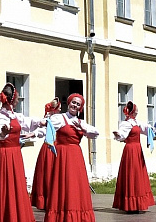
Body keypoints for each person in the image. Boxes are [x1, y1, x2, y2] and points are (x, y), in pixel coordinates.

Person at [0, 83, 44, 222]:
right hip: (6, 156)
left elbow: (26, 121)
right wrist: (4, 132)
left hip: (15, 154)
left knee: (17, 186)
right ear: (12, 99)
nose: (18, 100)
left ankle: (18, 215)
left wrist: (41, 122)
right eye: (17, 98)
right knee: (6, 187)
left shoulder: (13, 115)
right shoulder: (2, 117)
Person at [44, 93, 99, 222]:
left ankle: (77, 215)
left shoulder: (81, 122)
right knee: (62, 184)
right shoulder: (59, 118)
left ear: (80, 108)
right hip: (63, 155)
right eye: (73, 102)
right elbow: (47, 129)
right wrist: (32, 134)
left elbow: (95, 133)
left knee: (76, 185)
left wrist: (82, 128)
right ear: (68, 103)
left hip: (76, 156)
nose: (75, 105)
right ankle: (61, 215)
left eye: (78, 104)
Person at [111, 101, 155, 213]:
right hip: (130, 150)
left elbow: (146, 128)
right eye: (135, 111)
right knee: (131, 174)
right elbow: (122, 134)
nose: (136, 113)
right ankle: (130, 203)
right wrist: (118, 134)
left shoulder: (136, 122)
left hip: (137, 150)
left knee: (138, 175)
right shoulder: (126, 123)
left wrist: (154, 128)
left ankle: (138, 202)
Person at [30, 98, 62, 210]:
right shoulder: (53, 119)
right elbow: (43, 131)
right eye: (59, 108)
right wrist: (33, 134)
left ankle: (50, 199)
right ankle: (49, 199)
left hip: (52, 147)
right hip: (51, 147)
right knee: (49, 173)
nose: (61, 110)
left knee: (51, 172)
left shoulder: (54, 118)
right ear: (55, 109)